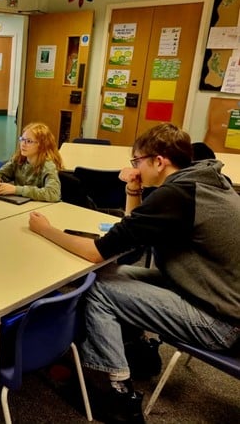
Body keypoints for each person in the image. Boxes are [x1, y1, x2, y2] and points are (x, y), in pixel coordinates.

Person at [28, 124, 240, 423]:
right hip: (214, 291)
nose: (133, 168)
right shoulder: (203, 179)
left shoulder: (174, 196)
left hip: (221, 321)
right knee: (117, 272)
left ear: (159, 161)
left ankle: (118, 395)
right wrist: (134, 189)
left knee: (98, 289)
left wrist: (46, 230)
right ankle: (139, 350)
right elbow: (133, 232)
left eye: (137, 161)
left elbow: (96, 251)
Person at [0, 122, 62, 201]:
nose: (23, 144)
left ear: (42, 145)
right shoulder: (19, 159)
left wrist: (16, 190)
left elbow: (53, 193)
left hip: (40, 208)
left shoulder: (48, 165)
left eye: (29, 141)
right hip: (21, 203)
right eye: (22, 139)